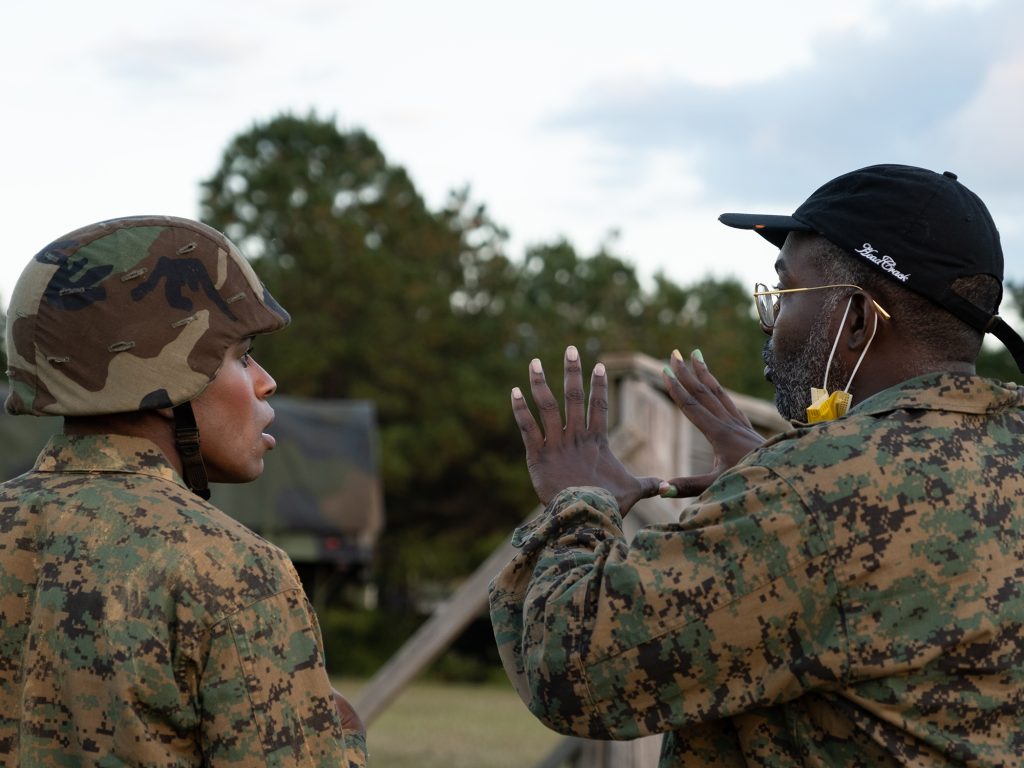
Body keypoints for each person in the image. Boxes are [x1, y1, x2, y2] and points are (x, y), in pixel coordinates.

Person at [489, 164, 1024, 766]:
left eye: (784, 294)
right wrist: (769, 485)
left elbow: (567, 669)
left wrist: (579, 503)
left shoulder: (815, 494)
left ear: (856, 320)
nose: (768, 322)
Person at [0, 215, 367, 766]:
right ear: (167, 381)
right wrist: (347, 737)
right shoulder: (232, 571)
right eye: (242, 355)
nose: (265, 381)